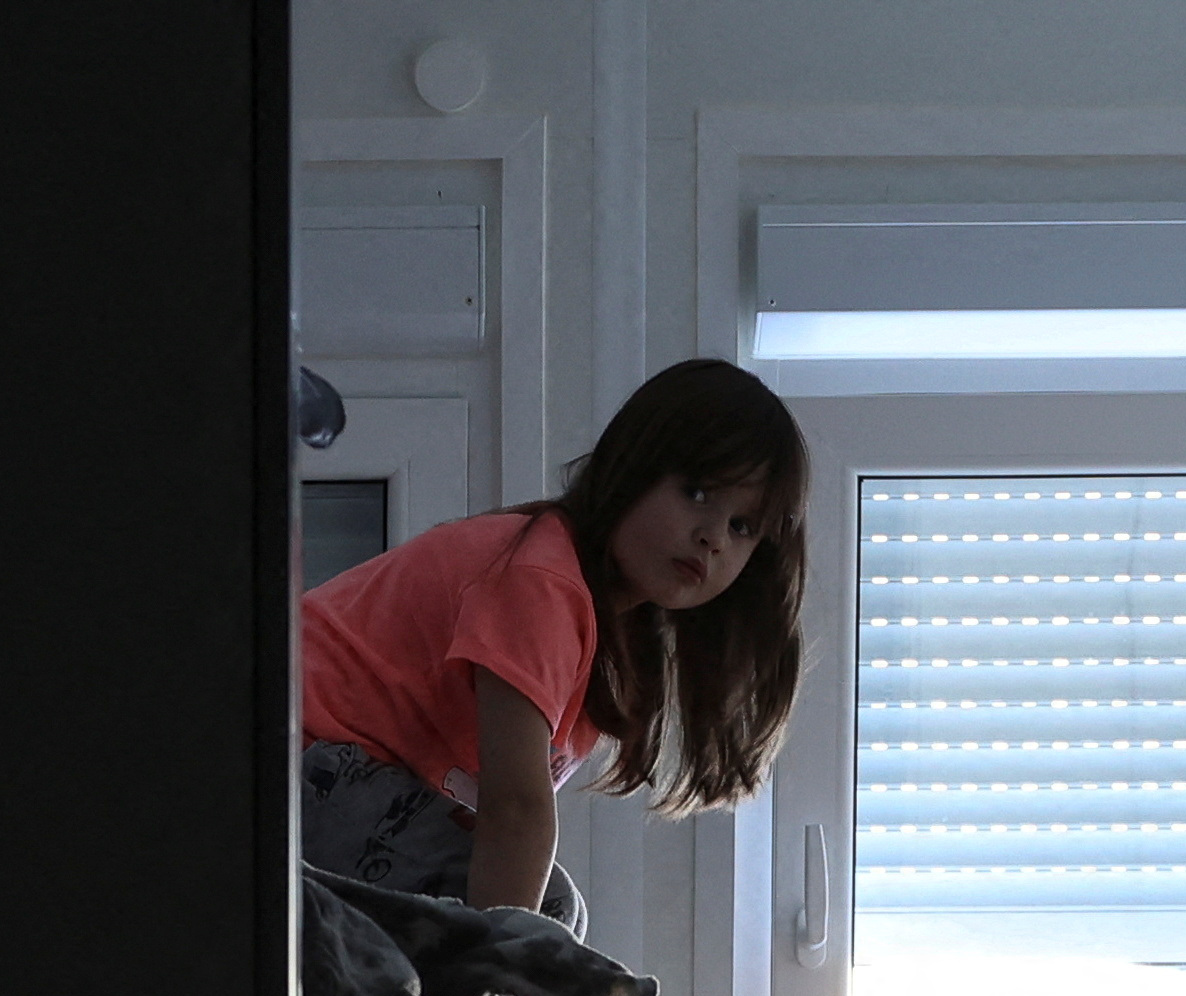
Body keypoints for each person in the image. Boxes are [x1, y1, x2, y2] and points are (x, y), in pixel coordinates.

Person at [297, 357, 808, 938]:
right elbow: (515, 810)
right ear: (632, 468)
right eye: (697, 492)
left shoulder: (604, 640)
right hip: (296, 755)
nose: (713, 536)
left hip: (340, 783)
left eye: (743, 527)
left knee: (548, 915)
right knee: (537, 914)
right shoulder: (542, 579)